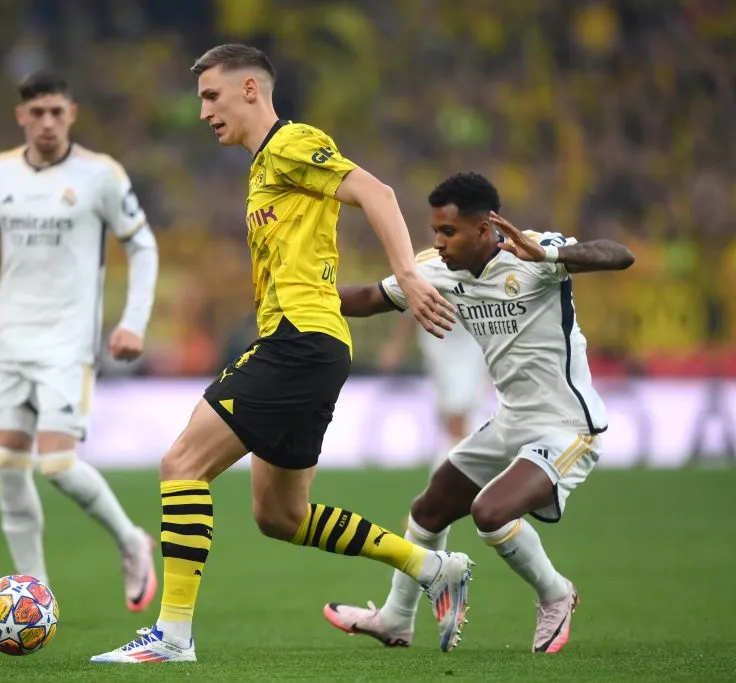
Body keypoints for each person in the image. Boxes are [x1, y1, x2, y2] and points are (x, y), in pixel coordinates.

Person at [90, 44, 474, 665]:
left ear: (250, 90)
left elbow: (377, 192)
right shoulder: (264, 168)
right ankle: (431, 567)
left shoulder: (292, 143)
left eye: (211, 96)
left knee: (181, 465)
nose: (203, 112)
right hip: (311, 344)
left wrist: (407, 274)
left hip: (298, 342)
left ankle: (173, 636)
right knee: (280, 514)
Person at [323, 172, 635, 653]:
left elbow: (619, 254)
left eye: (448, 231)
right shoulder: (435, 269)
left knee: (489, 513)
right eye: (435, 231)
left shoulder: (533, 255)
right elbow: (369, 298)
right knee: (428, 511)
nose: (438, 242)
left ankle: (555, 593)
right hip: (510, 421)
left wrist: (549, 256)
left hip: (568, 426)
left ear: (485, 228)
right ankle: (396, 619)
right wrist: (302, 295)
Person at [0, 70, 159, 612]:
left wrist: (133, 321)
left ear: (72, 114)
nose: (47, 122)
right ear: (21, 116)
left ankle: (131, 541)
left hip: (67, 344)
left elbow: (143, 246)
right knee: (7, 463)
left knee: (58, 465)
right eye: (37, 112)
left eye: (56, 112)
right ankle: (34, 597)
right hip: (7, 342)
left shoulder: (100, 175)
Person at [376, 309, 491, 465]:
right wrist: (396, 344)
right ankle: (469, 466)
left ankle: (464, 470)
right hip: (437, 347)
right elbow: (409, 303)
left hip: (469, 344)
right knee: (449, 416)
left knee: (457, 415)